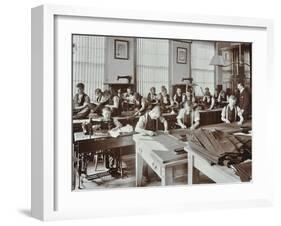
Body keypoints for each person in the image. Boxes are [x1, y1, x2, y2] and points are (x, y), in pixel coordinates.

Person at [82, 107, 122, 174]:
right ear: (103, 114)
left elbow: (120, 125)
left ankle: (114, 166)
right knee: (106, 148)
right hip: (102, 140)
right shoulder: (100, 120)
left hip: (112, 139)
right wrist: (94, 128)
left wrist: (115, 128)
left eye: (109, 114)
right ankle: (109, 166)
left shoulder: (113, 119)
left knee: (115, 148)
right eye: (106, 114)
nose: (107, 115)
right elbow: (94, 127)